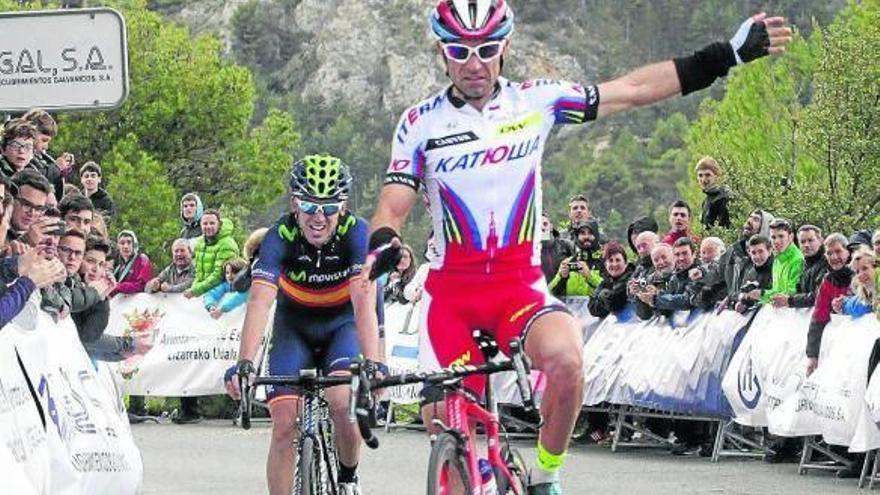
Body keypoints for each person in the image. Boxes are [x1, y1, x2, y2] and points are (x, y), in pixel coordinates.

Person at [367, 1, 790, 491]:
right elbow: (393, 203)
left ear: (505, 46)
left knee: (568, 362)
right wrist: (384, 240)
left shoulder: (536, 101)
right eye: (460, 51)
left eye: (486, 49)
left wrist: (725, 55)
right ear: (443, 53)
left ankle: (545, 474)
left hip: (519, 289)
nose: (474, 63)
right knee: (445, 419)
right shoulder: (420, 123)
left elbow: (631, 90)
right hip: (451, 298)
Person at [224, 154, 380, 495]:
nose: (318, 217)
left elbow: (364, 302)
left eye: (329, 207)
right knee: (283, 425)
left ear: (343, 206)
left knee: (342, 403)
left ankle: (348, 476)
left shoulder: (357, 233)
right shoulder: (279, 236)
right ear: (295, 204)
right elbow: (260, 300)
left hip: (342, 326)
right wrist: (244, 363)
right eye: (309, 205)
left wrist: (374, 362)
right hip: (293, 329)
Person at [720, 209, 775, 306]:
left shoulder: (774, 262)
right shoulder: (733, 252)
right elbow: (717, 277)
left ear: (765, 227)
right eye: (749, 217)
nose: (749, 221)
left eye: (756, 219)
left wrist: (744, 301)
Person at [184, 209, 240, 298]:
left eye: (212, 223)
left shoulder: (227, 244)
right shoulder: (200, 242)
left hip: (223, 292)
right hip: (204, 290)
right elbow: (198, 272)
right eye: (205, 224)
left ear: (219, 224)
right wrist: (194, 288)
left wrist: (195, 290)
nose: (208, 226)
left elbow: (219, 275)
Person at [771, 225, 827, 309]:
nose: (806, 245)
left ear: (821, 241)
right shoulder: (804, 264)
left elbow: (819, 296)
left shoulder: (827, 263)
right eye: (803, 242)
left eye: (810, 240)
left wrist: (790, 300)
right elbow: (798, 291)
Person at [22, 109, 66, 198]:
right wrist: (56, 169)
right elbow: (36, 179)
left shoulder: (43, 159)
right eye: (44, 140)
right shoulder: (21, 158)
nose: (46, 147)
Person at [759, 218, 804, 304]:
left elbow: (791, 293)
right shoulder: (777, 259)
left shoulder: (798, 259)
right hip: (779, 310)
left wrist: (762, 294)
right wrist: (756, 301)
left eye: (781, 236)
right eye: (773, 237)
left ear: (791, 237)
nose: (776, 241)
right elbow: (776, 291)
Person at [587, 241, 634, 318]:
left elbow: (615, 304)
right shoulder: (605, 282)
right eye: (610, 260)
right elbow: (591, 307)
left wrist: (603, 295)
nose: (614, 264)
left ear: (625, 263)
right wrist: (606, 297)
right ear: (606, 265)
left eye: (618, 260)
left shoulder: (632, 278)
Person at [734, 235, 774, 313]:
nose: (757, 256)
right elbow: (742, 292)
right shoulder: (751, 272)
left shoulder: (778, 268)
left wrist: (762, 294)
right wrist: (743, 302)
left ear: (769, 251)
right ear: (749, 253)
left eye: (761, 251)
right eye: (753, 253)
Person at [111, 230, 154, 295]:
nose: (125, 246)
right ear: (118, 246)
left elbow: (142, 286)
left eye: (129, 242)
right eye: (122, 243)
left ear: (134, 244)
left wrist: (118, 286)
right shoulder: (119, 268)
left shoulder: (142, 259)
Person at [695, 157, 731, 229]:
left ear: (716, 176)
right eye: (700, 175)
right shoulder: (706, 201)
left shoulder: (723, 197)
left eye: (708, 175)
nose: (703, 180)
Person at [840, 248, 875, 317]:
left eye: (865, 268)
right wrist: (843, 304)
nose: (860, 274)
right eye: (857, 271)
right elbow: (856, 305)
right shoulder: (864, 295)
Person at [540, 214, 574, 282]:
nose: (542, 228)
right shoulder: (528, 252)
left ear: (551, 227)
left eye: (545, 224)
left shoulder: (566, 245)